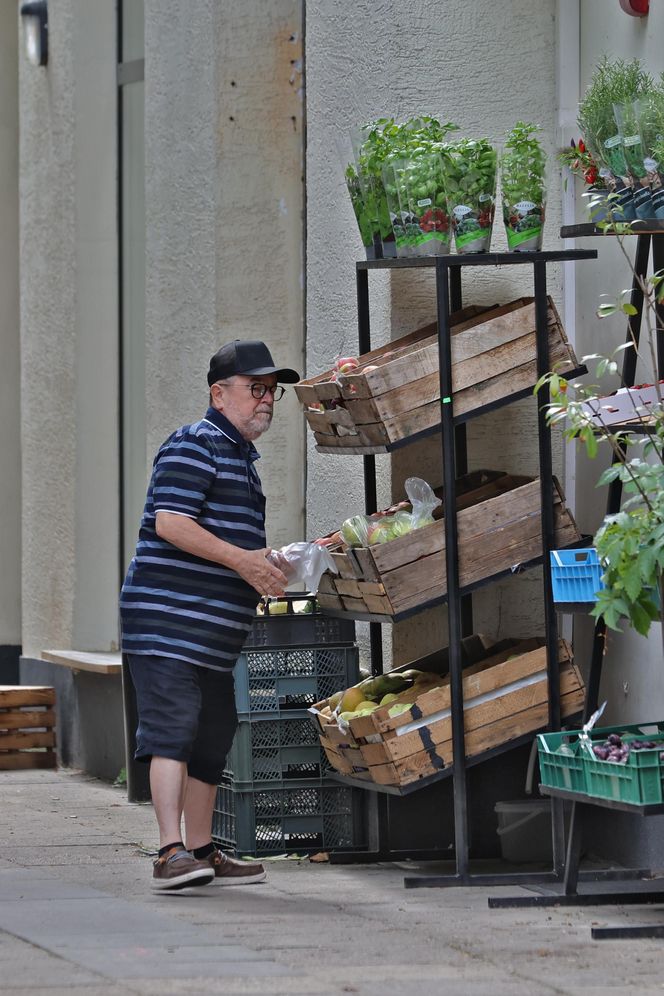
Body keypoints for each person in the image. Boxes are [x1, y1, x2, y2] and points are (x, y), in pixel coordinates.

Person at [120, 339, 300, 891]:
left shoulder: (240, 457)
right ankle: (168, 852)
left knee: (212, 735)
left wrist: (274, 564)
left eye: (272, 390)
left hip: (211, 634)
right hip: (168, 624)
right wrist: (245, 562)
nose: (266, 399)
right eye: (255, 388)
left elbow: (225, 542)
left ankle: (201, 850)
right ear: (219, 394)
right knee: (172, 732)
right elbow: (172, 523)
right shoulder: (194, 443)